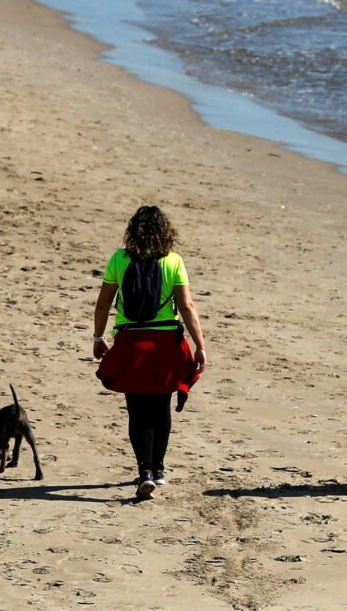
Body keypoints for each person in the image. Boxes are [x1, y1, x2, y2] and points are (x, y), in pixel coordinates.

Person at [92, 205, 208, 500]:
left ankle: (144, 471)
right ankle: (158, 468)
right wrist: (200, 345)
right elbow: (186, 307)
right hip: (165, 344)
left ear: (133, 231)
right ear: (166, 232)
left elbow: (104, 304)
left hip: (131, 343)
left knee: (137, 409)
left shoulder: (119, 259)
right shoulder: (174, 261)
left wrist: (98, 337)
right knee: (161, 407)